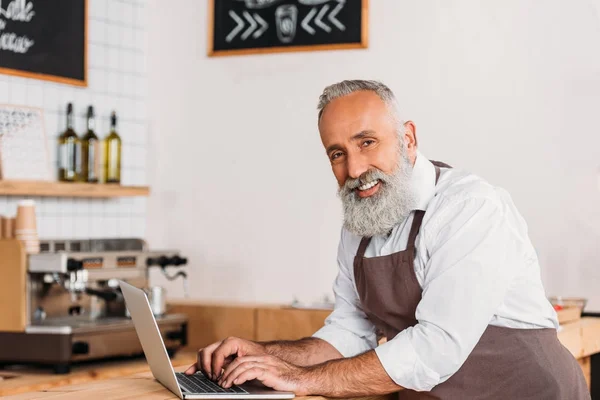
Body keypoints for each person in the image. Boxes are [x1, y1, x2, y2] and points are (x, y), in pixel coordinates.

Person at [186, 80, 590, 399]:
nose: (355, 167)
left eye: (367, 142)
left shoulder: (469, 207)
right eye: (337, 153)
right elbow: (347, 334)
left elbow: (436, 347)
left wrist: (299, 379)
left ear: (408, 138)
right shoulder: (358, 224)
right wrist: (261, 355)